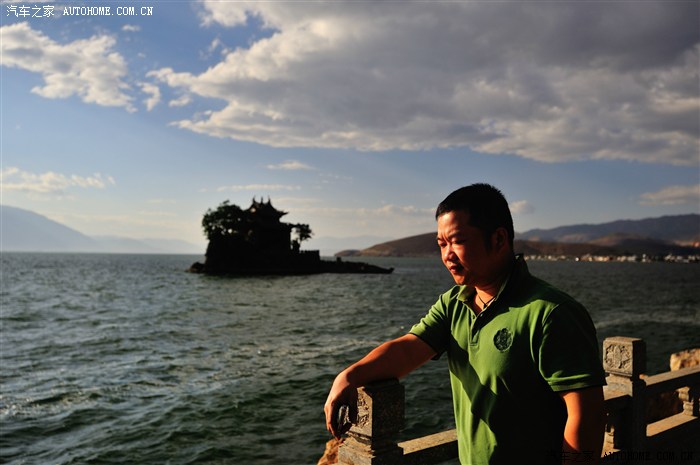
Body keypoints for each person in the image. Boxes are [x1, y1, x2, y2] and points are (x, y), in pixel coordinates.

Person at [324, 183, 607, 465]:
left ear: (498, 239)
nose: (447, 255)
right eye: (441, 244)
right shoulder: (454, 302)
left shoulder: (551, 313)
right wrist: (350, 375)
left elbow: (586, 414)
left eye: (457, 241)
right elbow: (409, 350)